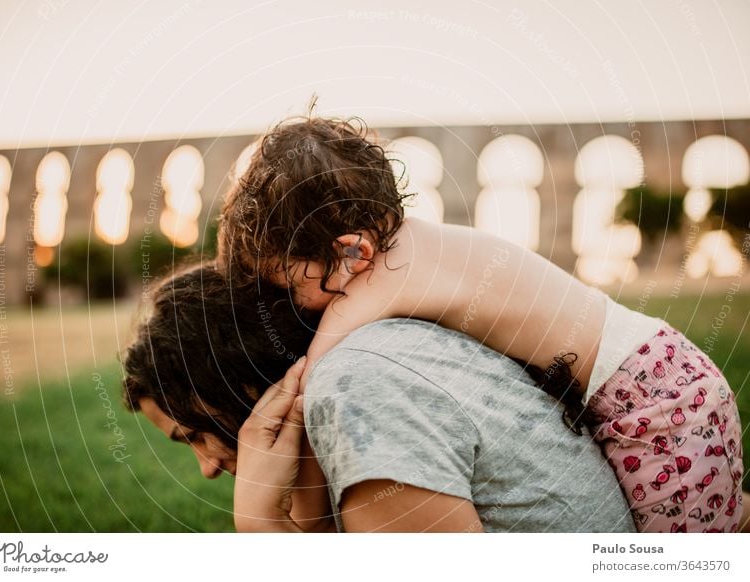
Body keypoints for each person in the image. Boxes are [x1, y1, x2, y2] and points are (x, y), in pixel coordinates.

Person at [219, 114, 745, 532]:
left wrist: (289, 502)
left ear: (353, 251)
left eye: (288, 284)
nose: (290, 302)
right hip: (658, 376)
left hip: (658, 401)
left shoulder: (384, 278)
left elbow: (314, 375)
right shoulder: (415, 247)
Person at [121, 263, 639, 532]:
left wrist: (263, 526)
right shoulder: (362, 354)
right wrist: (307, 513)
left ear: (236, 377)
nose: (206, 467)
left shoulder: (360, 391)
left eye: (193, 434)